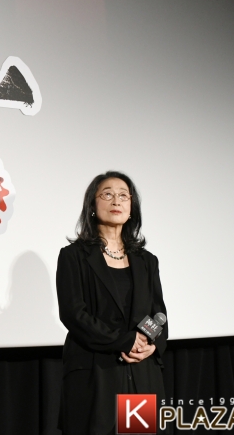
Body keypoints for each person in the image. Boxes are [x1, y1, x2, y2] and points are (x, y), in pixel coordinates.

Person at [56, 171, 168, 434]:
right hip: (95, 374)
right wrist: (124, 340)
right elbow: (73, 313)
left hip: (141, 373)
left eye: (123, 196)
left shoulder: (147, 261)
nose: (116, 201)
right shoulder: (74, 256)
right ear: (92, 205)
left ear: (131, 208)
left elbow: (158, 314)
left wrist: (151, 344)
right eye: (107, 194)